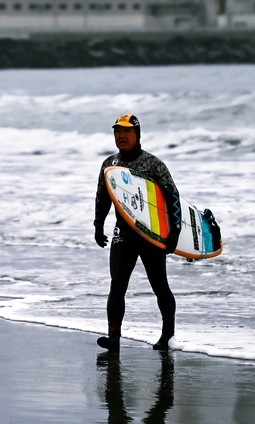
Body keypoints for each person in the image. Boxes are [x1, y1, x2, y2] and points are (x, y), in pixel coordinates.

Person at [93, 113, 181, 353]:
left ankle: (168, 335)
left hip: (150, 235)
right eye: (117, 132)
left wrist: (175, 230)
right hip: (123, 233)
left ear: (137, 135)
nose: (121, 136)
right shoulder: (109, 164)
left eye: (126, 132)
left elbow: (173, 196)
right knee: (117, 286)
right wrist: (98, 224)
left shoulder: (152, 164)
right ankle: (113, 338)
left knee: (159, 285)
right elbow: (103, 195)